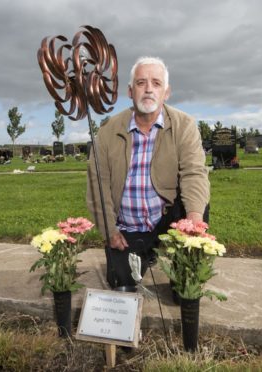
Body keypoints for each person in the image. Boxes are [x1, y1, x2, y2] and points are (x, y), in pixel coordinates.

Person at [87, 56, 210, 288]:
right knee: (122, 287)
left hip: (169, 222)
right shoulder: (108, 130)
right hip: (128, 227)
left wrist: (194, 219)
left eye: (156, 83)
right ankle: (143, 252)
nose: (149, 90)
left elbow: (194, 173)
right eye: (141, 83)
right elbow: (98, 182)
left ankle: (166, 253)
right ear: (130, 91)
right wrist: (109, 230)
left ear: (167, 92)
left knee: (184, 293)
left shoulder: (185, 125)